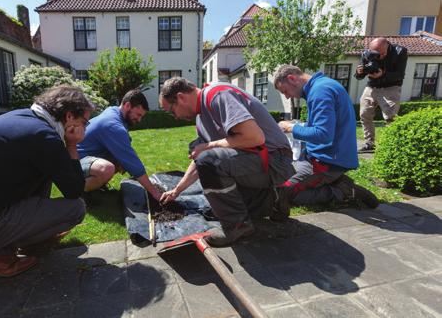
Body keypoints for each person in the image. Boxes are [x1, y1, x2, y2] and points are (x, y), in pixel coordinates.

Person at [0, 85, 92, 277]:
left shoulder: (24, 119)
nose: (85, 128)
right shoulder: (43, 136)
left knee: (42, 173)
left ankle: (21, 243)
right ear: (69, 116)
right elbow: (74, 191)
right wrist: (71, 145)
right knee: (76, 208)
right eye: (85, 122)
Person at [159, 77, 295, 247]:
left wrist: (209, 146)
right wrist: (177, 190)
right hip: (257, 160)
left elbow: (254, 137)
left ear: (181, 98)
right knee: (204, 160)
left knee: (209, 160)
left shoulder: (218, 95)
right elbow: (200, 160)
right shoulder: (201, 119)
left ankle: (238, 226)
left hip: (276, 161)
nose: (175, 117)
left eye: (172, 111)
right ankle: (273, 199)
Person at [274, 64, 379, 208]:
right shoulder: (321, 86)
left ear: (292, 78)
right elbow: (329, 126)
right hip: (320, 156)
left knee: (284, 193)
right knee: (280, 179)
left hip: (327, 162)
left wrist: (292, 128)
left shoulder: (320, 91)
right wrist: (302, 125)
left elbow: (323, 134)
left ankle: (345, 191)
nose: (287, 96)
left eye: (285, 91)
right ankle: (333, 181)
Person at [77, 89, 163, 202]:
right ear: (127, 105)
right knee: (107, 169)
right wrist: (155, 193)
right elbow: (133, 163)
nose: (139, 119)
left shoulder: (114, 112)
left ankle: (94, 186)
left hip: (87, 157)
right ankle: (77, 193)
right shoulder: (112, 125)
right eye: (138, 114)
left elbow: (126, 147)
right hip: (75, 163)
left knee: (120, 161)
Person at [355, 37, 408, 153]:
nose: (380, 57)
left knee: (391, 118)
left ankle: (390, 145)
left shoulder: (400, 52)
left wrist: (383, 74)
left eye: (382, 54)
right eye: (376, 55)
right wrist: (358, 73)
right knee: (364, 114)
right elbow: (360, 75)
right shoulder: (367, 53)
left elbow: (400, 75)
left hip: (391, 87)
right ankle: (370, 144)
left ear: (387, 45)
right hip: (372, 86)